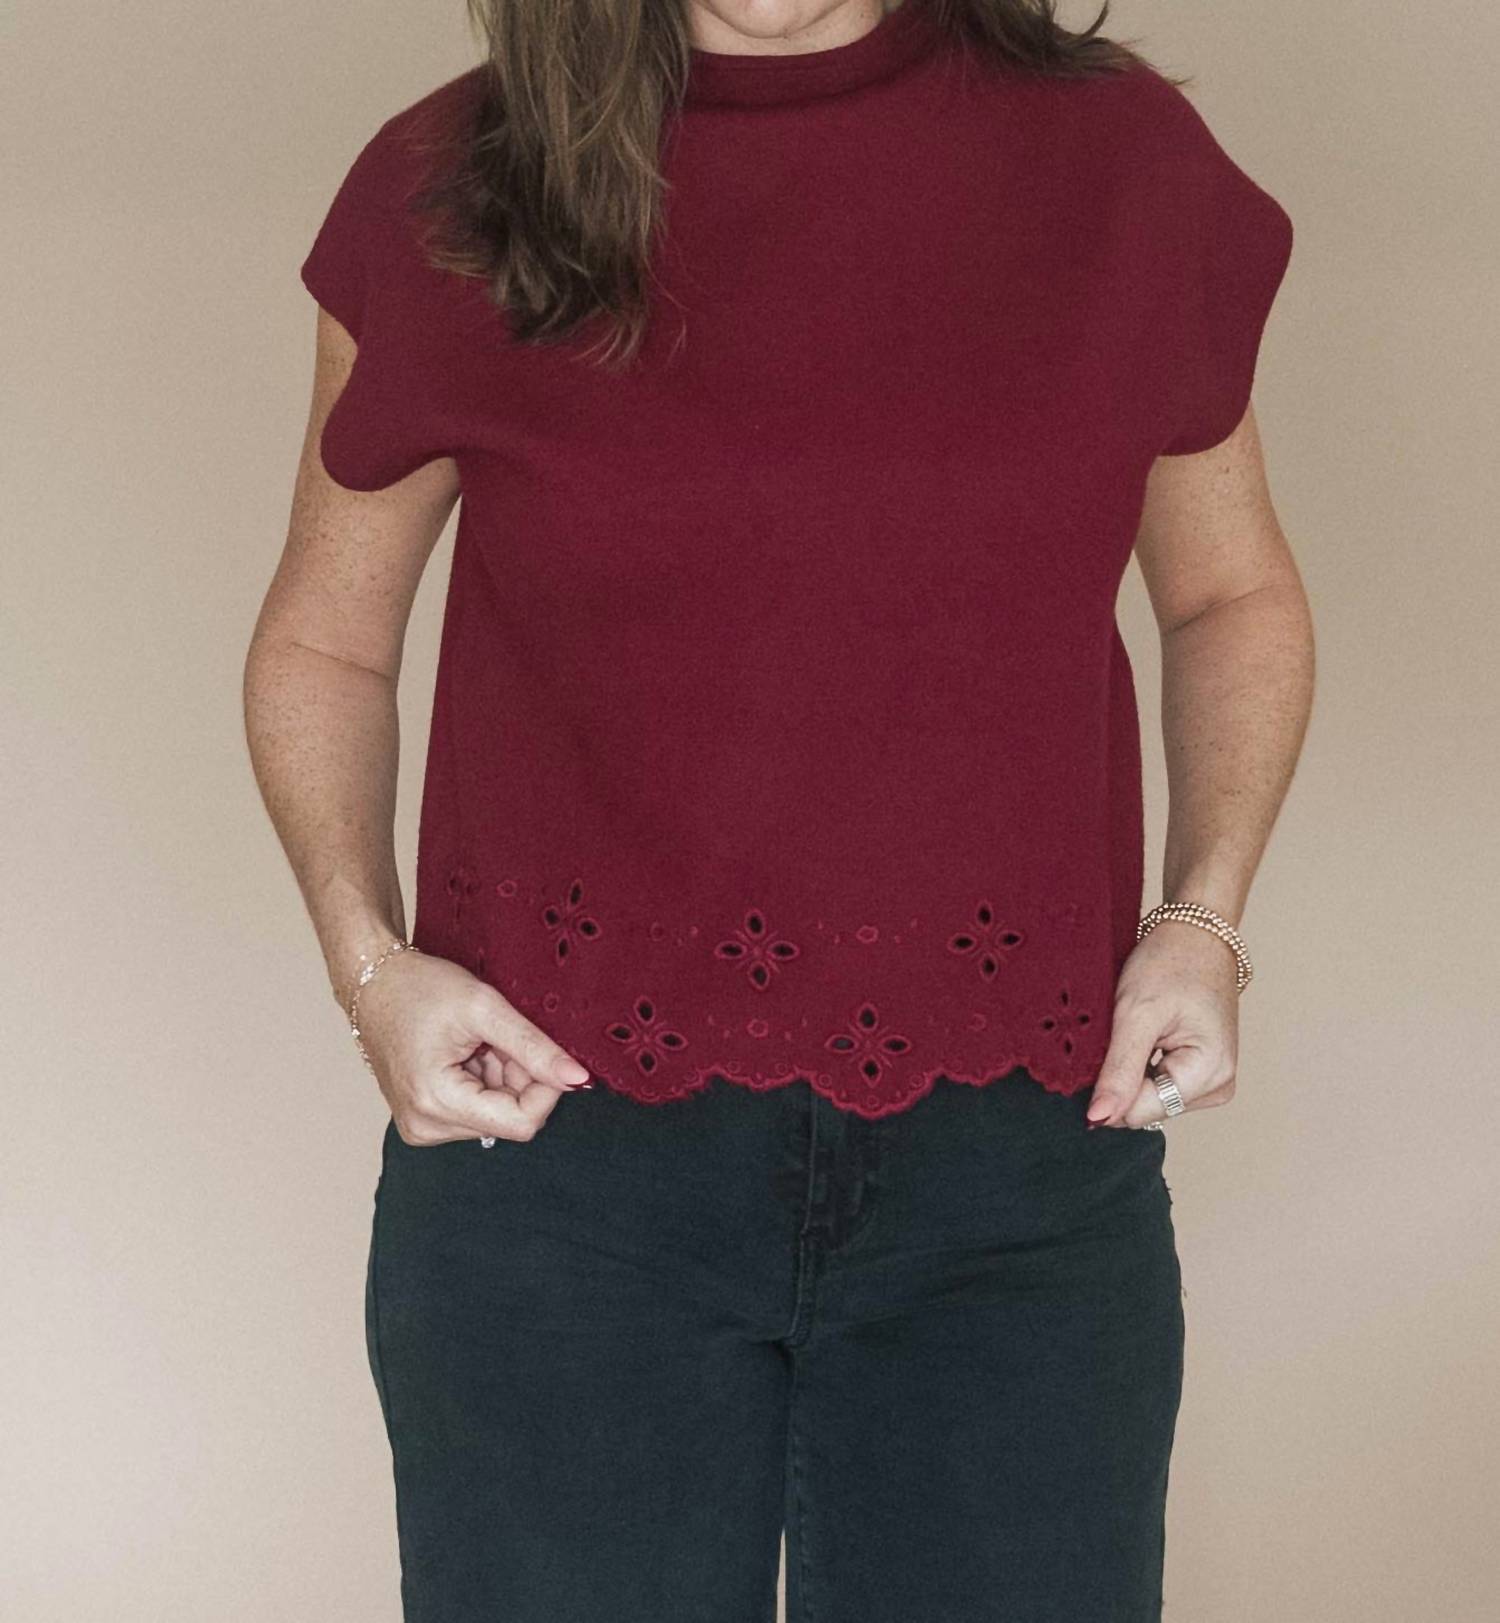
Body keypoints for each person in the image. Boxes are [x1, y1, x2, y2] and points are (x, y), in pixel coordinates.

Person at [243, 1, 1315, 1617]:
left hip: (1020, 1172)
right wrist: (368, 966)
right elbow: (324, 642)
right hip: (559, 1165)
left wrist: (1202, 918)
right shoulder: (459, 181)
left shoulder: (1120, 167)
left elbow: (1233, 594)